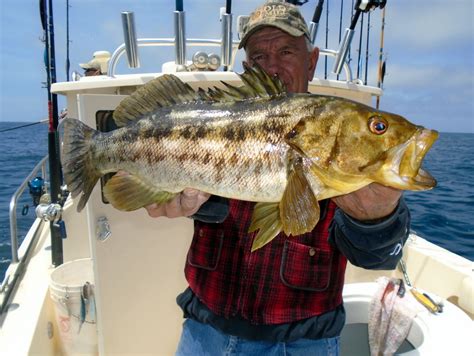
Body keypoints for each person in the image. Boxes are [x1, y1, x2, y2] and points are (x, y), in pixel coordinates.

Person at [146, 1, 409, 355]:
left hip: (305, 342)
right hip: (205, 332)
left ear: (312, 61)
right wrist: (171, 194)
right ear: (246, 67)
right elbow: (197, 199)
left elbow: (377, 258)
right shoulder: (222, 121)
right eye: (259, 57)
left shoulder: (339, 135)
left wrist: (376, 219)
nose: (272, 66)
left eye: (286, 51)